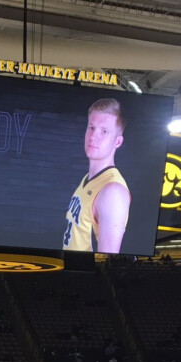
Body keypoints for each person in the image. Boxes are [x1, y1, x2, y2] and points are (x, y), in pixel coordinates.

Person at [63, 98, 130, 254]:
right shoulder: (89, 178)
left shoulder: (112, 191)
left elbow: (107, 259)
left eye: (104, 131)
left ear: (117, 142)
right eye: (91, 127)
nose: (93, 136)